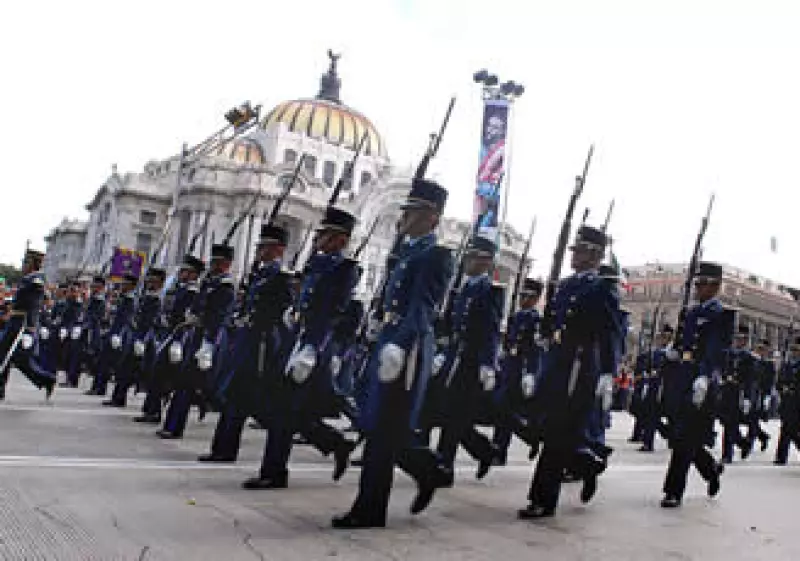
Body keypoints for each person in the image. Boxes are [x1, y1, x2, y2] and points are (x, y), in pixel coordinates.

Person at [333, 178, 454, 529]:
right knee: (379, 424)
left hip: (408, 347)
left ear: (432, 217)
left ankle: (370, 509)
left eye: (414, 213)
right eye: (406, 212)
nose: (405, 219)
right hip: (389, 337)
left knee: (384, 428)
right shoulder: (407, 251)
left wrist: (400, 344)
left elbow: (423, 307)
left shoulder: (436, 255)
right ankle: (427, 470)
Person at [242, 208, 359, 488]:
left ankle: (274, 472)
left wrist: (311, 348)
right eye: (319, 234)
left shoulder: (345, 269)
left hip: (314, 346)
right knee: (290, 410)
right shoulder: (316, 265)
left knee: (286, 409)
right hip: (298, 339)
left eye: (326, 235)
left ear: (341, 240)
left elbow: (333, 313)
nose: (319, 239)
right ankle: (336, 443)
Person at [518, 225, 621, 520]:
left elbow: (610, 333)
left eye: (581, 252)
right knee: (550, 428)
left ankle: (542, 500)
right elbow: (552, 320)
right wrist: (543, 338)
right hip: (556, 364)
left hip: (580, 366)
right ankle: (589, 465)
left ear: (595, 255)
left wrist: (607, 372)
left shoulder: (601, 288)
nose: (574, 256)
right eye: (574, 251)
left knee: (558, 432)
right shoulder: (564, 285)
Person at [199, 225, 293, 462]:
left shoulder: (281, 277)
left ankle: (329, 440)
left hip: (262, 343)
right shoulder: (259, 275)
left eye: (266, 247)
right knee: (235, 396)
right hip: (247, 340)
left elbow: (281, 309)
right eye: (260, 246)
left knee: (258, 402)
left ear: (279, 249)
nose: (260, 251)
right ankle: (223, 449)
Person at [660, 262, 731, 508]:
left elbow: (717, 349)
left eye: (703, 284)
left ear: (715, 286)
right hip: (682, 379)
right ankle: (711, 470)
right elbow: (684, 343)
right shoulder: (690, 313)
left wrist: (705, 375)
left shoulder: (721, 314)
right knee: (682, 436)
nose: (698, 289)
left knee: (685, 437)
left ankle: (673, 491)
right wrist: (674, 351)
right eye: (697, 284)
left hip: (702, 382)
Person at [431, 235, 503, 480]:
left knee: (455, 413)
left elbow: (491, 330)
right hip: (455, 356)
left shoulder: (489, 291)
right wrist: (441, 352)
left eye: (473, 258)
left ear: (485, 262)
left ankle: (444, 465)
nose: (467, 262)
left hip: (472, 360)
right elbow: (451, 326)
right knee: (450, 412)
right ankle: (484, 451)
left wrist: (488, 364)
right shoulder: (462, 288)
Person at [158, 244, 235, 439]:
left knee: (201, 383)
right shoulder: (208, 283)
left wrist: (209, 344)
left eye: (218, 262)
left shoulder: (225, 287)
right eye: (213, 261)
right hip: (195, 335)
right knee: (184, 382)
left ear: (227, 264)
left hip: (210, 338)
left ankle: (181, 421)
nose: (213, 265)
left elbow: (219, 317)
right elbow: (197, 306)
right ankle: (173, 425)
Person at [136, 256, 203, 423]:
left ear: (194, 274)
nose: (182, 274)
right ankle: (152, 410)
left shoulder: (192, 293)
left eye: (186, 271)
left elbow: (188, 318)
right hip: (167, 334)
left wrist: (178, 340)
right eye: (182, 271)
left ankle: (200, 402)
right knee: (157, 373)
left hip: (180, 337)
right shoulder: (177, 289)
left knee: (176, 378)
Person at [493, 278, 544, 465]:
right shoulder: (515, 317)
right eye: (522, 295)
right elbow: (508, 343)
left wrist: (531, 373)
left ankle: (503, 449)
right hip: (509, 368)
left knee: (505, 410)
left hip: (521, 371)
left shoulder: (536, 320)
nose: (523, 300)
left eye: (528, 296)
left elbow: (535, 350)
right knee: (501, 410)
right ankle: (522, 438)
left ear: (536, 298)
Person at [0, 249, 56, 399]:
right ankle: (0, 389)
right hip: (15, 321)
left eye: (26, 262)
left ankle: (46, 379)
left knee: (21, 359)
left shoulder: (36, 279)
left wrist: (30, 328)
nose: (23, 265)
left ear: (33, 263)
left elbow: (34, 303)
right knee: (3, 354)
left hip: (23, 324)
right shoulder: (28, 278)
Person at [718, 326, 755, 463]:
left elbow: (750, 379)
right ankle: (743, 443)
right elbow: (723, 369)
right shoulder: (729, 354)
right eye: (737, 339)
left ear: (745, 341)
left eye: (741, 339)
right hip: (726, 391)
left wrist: (747, 397)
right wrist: (723, 378)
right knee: (726, 422)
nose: (738, 342)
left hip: (738, 392)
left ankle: (727, 454)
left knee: (730, 423)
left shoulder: (749, 358)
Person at [774, 337, 800, 465]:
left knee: (793, 430)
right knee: (786, 429)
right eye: (792, 349)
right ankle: (781, 457)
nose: (794, 352)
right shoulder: (786, 365)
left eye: (796, 349)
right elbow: (778, 382)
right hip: (787, 402)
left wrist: (793, 389)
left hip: (798, 402)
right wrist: (782, 388)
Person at [80, 276, 107, 395]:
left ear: (101, 287)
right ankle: (96, 387)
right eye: (92, 286)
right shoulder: (93, 299)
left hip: (97, 333)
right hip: (91, 331)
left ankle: (99, 387)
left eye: (95, 286)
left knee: (98, 361)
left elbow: (98, 318)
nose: (93, 288)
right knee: (95, 360)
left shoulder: (100, 301)